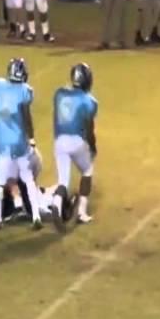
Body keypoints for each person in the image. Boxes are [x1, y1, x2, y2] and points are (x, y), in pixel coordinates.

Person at [0, 58, 44, 230]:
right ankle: (36, 216)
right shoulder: (24, 90)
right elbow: (27, 116)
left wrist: (2, 126)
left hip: (3, 143)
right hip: (19, 144)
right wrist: (31, 138)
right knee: (28, 179)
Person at [51, 63, 97, 230]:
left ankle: (57, 202)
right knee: (87, 170)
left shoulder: (59, 94)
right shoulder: (89, 101)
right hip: (76, 141)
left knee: (63, 181)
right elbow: (89, 128)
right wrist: (92, 146)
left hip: (59, 141)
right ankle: (81, 212)